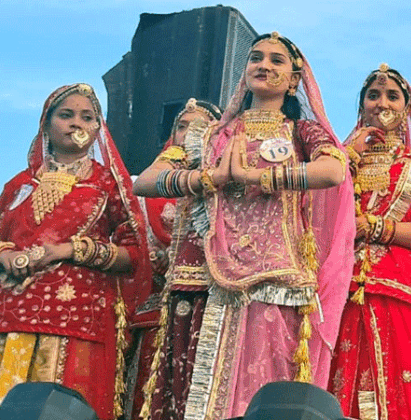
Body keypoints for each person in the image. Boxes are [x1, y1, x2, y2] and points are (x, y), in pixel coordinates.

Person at [135, 31, 354, 420]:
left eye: (276, 60)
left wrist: (260, 178)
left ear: (293, 80)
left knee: (262, 387)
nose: (264, 65)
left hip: (273, 276)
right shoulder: (211, 133)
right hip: (204, 275)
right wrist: (206, 180)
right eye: (256, 58)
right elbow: (145, 181)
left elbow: (334, 170)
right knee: (190, 389)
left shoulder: (302, 132)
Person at [0, 83, 150, 420]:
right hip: (1, 316)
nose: (76, 124)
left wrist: (68, 250)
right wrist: (5, 255)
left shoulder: (108, 184)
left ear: (98, 128)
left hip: (73, 318)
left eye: (87, 117)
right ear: (46, 124)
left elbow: (134, 254)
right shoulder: (19, 184)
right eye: (66, 115)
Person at [329, 64, 411, 420]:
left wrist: (374, 227)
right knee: (337, 387)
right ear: (361, 105)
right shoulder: (337, 161)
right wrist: (345, 156)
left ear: (406, 109)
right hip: (340, 291)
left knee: (398, 393)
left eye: (392, 96)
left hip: (399, 294)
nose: (382, 102)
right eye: (373, 95)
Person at [124, 98, 221, 420]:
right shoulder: (143, 189)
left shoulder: (226, 189)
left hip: (209, 310)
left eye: (200, 128)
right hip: (153, 317)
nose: (188, 135)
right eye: (182, 127)